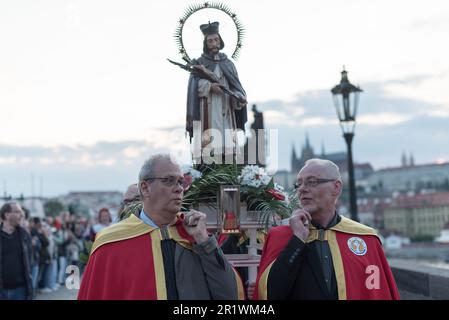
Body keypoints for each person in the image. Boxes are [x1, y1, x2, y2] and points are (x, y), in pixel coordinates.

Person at [78, 154, 244, 300]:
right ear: (145, 188)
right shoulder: (111, 243)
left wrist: (205, 241)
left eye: (181, 182)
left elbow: (229, 295)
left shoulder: (195, 236)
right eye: (169, 181)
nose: (179, 188)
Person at [254, 159, 399, 300]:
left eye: (312, 182)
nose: (302, 189)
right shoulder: (280, 236)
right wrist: (297, 241)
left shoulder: (366, 239)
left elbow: (377, 293)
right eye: (299, 183)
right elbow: (269, 294)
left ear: (336, 187)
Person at [186, 21, 247, 163]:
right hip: (208, 108)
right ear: (205, 43)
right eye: (210, 41)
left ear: (220, 40)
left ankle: (229, 170)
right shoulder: (200, 63)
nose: (214, 43)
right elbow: (194, 87)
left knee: (228, 144)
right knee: (210, 145)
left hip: (227, 108)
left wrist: (239, 98)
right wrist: (209, 86)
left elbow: (237, 86)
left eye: (216, 40)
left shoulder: (228, 64)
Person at [0, 202, 33, 300]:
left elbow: (30, 262)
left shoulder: (25, 236)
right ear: (7, 215)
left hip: (20, 289)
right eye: (17, 212)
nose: (22, 214)